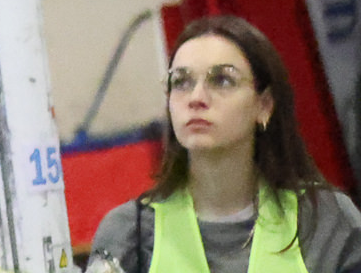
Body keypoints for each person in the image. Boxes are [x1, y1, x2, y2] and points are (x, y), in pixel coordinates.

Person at [86, 15, 361, 273]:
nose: (196, 98)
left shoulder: (326, 220)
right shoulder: (129, 233)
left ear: (264, 105)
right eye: (181, 82)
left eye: (222, 80)